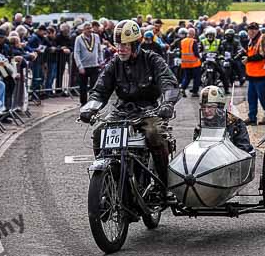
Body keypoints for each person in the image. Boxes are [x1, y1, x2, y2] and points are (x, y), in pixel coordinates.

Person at [79, 20, 180, 202]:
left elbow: (168, 81)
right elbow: (100, 89)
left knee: (155, 134)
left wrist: (168, 103)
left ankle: (164, 185)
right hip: (122, 111)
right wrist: (90, 108)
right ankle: (108, 179)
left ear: (135, 44)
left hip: (148, 110)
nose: (120, 49)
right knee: (99, 133)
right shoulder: (114, 64)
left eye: (125, 45)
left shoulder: (152, 59)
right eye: (118, 44)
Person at [195, 86, 253, 153]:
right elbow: (197, 150)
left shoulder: (236, 124)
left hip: (231, 158)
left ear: (220, 107)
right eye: (203, 107)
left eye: (210, 107)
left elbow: (244, 149)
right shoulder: (200, 126)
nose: (206, 111)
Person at [244, 23, 265, 125]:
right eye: (250, 29)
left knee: (263, 98)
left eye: (254, 29)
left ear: (257, 30)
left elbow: (262, 55)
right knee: (251, 98)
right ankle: (252, 117)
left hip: (261, 75)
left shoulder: (261, 40)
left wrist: (248, 59)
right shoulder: (251, 41)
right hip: (252, 75)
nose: (251, 31)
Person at [74, 23, 103, 105]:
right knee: (83, 86)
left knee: (94, 85)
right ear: (83, 30)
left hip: (94, 65)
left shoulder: (96, 37)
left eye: (90, 28)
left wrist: (101, 61)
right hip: (84, 66)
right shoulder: (79, 39)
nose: (89, 30)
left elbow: (99, 50)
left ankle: (92, 102)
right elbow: (76, 53)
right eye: (87, 28)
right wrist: (79, 66)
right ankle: (83, 103)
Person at [180, 27, 202, 97]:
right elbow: (196, 52)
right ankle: (195, 92)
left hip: (185, 63)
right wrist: (200, 57)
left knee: (187, 77)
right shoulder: (193, 41)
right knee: (197, 78)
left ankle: (182, 89)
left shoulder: (182, 41)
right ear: (193, 34)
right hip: (194, 63)